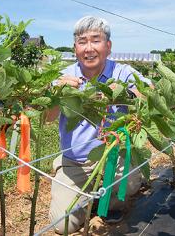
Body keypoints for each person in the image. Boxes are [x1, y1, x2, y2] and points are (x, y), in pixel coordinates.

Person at [46, 16, 152, 234]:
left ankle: (109, 201)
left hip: (114, 155)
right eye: (82, 41)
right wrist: (57, 93)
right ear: (75, 48)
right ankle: (81, 193)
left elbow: (149, 93)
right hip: (77, 162)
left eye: (96, 40)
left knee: (130, 184)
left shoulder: (122, 73)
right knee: (61, 226)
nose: (89, 48)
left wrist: (124, 92)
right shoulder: (64, 77)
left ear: (108, 46)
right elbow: (47, 117)